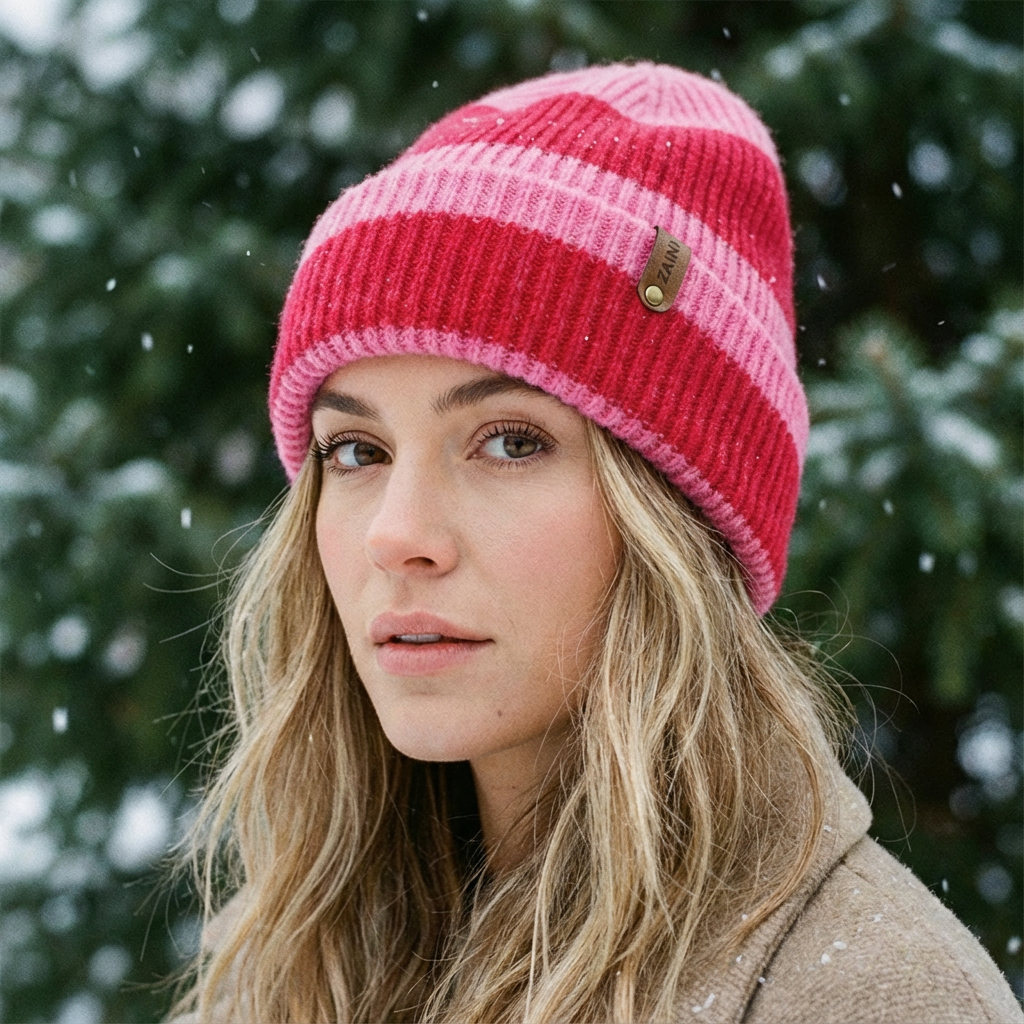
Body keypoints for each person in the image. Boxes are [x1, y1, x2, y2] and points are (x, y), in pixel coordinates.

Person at [170, 63, 1022, 1023]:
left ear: (677, 517)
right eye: (357, 450)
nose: (397, 535)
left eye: (510, 442)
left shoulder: (866, 995)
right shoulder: (285, 959)